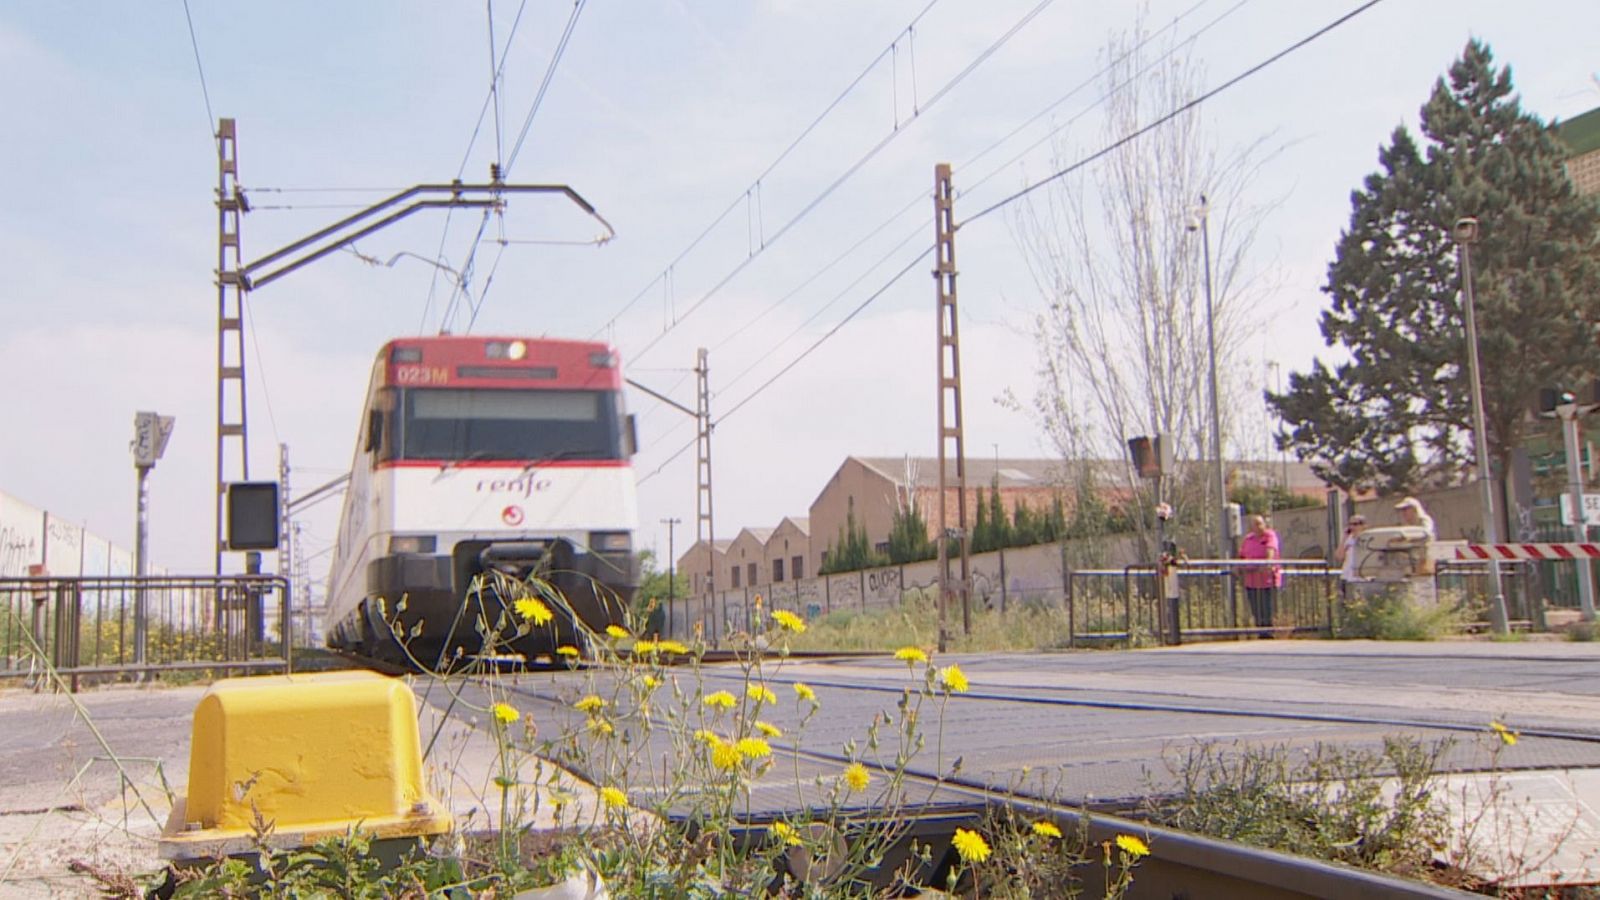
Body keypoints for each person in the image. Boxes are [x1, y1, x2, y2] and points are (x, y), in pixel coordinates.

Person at [1239, 515, 1281, 629]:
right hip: (1251, 582)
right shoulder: (1248, 539)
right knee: (1256, 611)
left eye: (1260, 523)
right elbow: (1242, 557)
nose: (1258, 527)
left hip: (1267, 582)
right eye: (1255, 524)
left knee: (1267, 611)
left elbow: (1269, 555)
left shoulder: (1270, 536)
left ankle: (1268, 635)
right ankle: (1261, 634)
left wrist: (1263, 564)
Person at [1333, 514, 1370, 597]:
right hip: (1347, 576)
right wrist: (1344, 539)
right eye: (1350, 524)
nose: (1352, 527)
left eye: (1355, 524)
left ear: (1363, 526)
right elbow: (1339, 556)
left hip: (1362, 577)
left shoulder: (1368, 540)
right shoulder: (1348, 539)